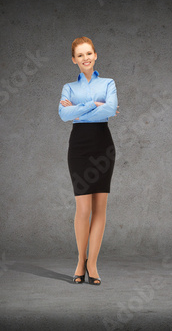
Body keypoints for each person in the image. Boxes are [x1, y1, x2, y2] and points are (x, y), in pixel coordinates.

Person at [58, 37, 119, 285]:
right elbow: (63, 114)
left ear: (95, 55)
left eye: (89, 53)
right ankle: (79, 261)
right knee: (83, 208)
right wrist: (94, 104)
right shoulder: (68, 87)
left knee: (100, 209)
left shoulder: (109, 83)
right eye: (80, 55)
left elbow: (111, 109)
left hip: (103, 145)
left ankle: (92, 264)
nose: (85, 58)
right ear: (74, 60)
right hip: (79, 147)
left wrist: (79, 109)